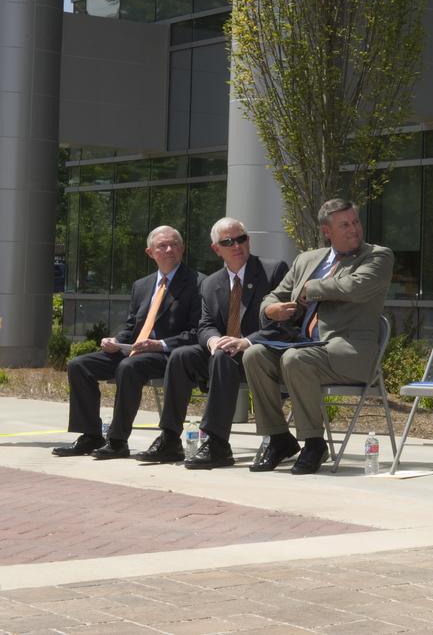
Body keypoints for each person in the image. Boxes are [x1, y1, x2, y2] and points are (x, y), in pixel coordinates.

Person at [243, 198, 392, 474]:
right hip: (304, 348)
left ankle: (313, 443)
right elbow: (273, 296)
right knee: (254, 355)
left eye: (355, 222)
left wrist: (310, 288)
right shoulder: (307, 259)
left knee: (295, 359)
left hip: (349, 352)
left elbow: (354, 287)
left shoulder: (378, 256)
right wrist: (272, 309)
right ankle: (279, 438)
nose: (354, 229)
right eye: (344, 225)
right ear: (327, 232)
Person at [134, 217, 289, 469]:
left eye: (241, 239)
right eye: (228, 241)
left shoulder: (272, 271)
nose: (236, 245)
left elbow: (284, 325)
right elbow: (205, 325)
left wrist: (245, 341)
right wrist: (214, 340)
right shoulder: (210, 283)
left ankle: (217, 443)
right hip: (223, 353)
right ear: (216, 249)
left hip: (259, 354)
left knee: (222, 358)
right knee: (182, 356)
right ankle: (170, 438)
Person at [53, 226, 203, 459]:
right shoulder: (142, 285)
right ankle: (91, 435)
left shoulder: (198, 283)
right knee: (79, 365)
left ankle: (117, 440)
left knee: (128, 367)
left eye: (174, 244)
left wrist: (160, 344)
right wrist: (116, 341)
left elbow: (197, 331)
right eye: (162, 246)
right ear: (150, 252)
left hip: (169, 355)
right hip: (135, 351)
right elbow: (133, 326)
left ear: (182, 249)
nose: (169, 249)